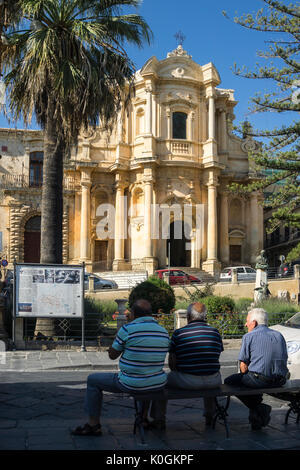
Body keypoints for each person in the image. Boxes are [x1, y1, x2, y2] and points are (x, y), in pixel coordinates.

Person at [71, 299, 170, 436]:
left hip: (130, 382)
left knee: (93, 380)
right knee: (147, 377)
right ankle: (143, 418)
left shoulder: (127, 329)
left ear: (134, 313)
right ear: (150, 314)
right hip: (156, 382)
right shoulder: (163, 331)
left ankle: (93, 425)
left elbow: (112, 355)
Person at [148, 302, 224, 428]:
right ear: (205, 316)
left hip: (188, 380)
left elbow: (172, 363)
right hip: (213, 380)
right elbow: (214, 357)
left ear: (188, 316)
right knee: (207, 371)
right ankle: (210, 415)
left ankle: (159, 418)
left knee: (160, 381)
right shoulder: (215, 332)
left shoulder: (179, 334)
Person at [224, 308, 289, 430]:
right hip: (280, 380)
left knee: (229, 381)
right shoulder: (279, 335)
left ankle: (257, 407)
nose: (245, 324)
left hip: (260, 380)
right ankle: (257, 412)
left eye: (247, 321)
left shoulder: (249, 336)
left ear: (254, 323)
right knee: (254, 377)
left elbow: (243, 368)